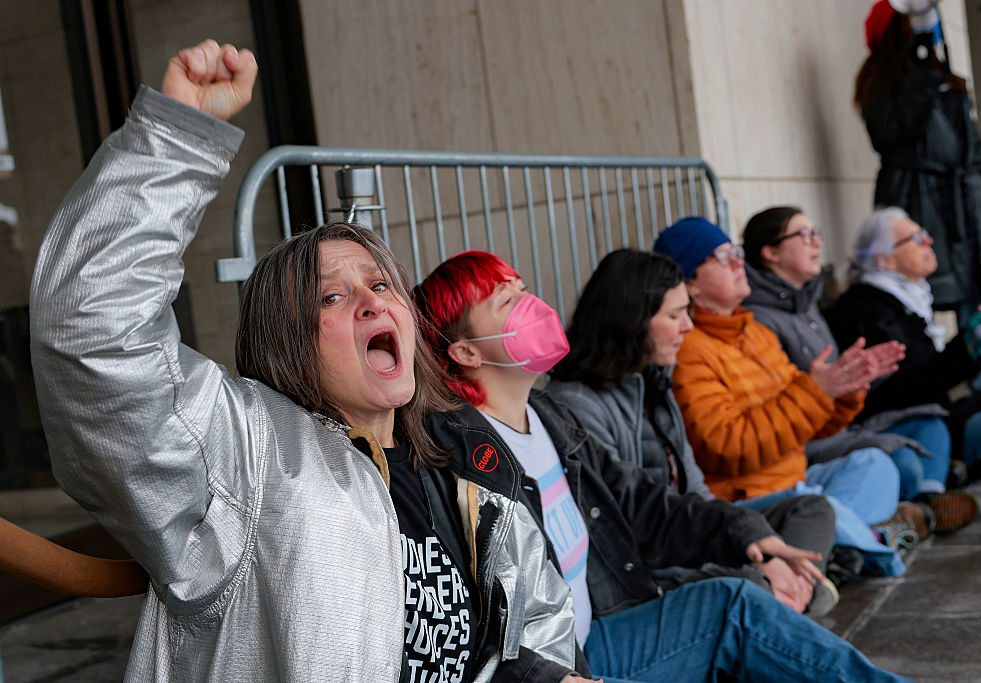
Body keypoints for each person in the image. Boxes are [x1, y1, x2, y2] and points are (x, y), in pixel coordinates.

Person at [29, 41, 584, 682]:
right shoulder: (243, 453)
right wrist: (176, 137)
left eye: (382, 285)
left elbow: (535, 622)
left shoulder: (465, 452)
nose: (374, 305)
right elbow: (90, 329)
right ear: (285, 340)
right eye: (332, 296)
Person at [415, 249, 910, 683]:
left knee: (737, 599)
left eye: (523, 290)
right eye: (507, 303)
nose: (532, 307)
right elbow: (474, 619)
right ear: (464, 351)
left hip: (601, 636)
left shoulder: (547, 416)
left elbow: (641, 503)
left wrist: (744, 531)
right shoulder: (463, 455)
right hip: (563, 672)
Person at [540, 249, 838, 613]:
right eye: (675, 315)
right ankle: (792, 592)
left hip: (694, 531)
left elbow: (695, 488)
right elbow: (625, 523)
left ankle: (784, 594)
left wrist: (748, 544)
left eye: (687, 312)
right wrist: (743, 550)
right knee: (747, 584)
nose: (688, 327)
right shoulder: (576, 404)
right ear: (633, 320)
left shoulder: (652, 381)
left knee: (811, 509)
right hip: (649, 566)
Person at [655, 216, 924, 577]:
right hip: (752, 498)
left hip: (799, 480)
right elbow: (727, 447)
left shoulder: (755, 332)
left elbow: (813, 426)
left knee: (875, 465)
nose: (739, 262)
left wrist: (844, 389)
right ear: (690, 285)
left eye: (736, 252)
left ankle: (833, 546)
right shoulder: (688, 351)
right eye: (722, 257)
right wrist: (817, 390)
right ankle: (865, 543)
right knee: (818, 506)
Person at [742, 205, 978, 531]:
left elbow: (845, 390)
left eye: (816, 233)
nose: (816, 243)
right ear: (770, 253)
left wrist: (858, 380)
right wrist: (838, 386)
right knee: (905, 461)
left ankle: (920, 507)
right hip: (808, 440)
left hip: (841, 425)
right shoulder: (760, 319)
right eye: (803, 235)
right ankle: (897, 521)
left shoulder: (806, 305)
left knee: (930, 427)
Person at [856, 0, 981, 391]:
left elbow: (977, 156)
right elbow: (892, 132)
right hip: (922, 206)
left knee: (978, 300)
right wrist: (920, 70)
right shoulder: (881, 85)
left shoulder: (947, 82)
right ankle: (938, 400)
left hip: (969, 209)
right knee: (921, 303)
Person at [826, 207, 981, 482]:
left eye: (925, 234)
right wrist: (972, 341)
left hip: (937, 412)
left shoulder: (908, 296)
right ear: (886, 260)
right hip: (906, 424)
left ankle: (956, 469)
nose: (929, 241)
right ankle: (952, 475)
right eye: (916, 239)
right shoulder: (869, 309)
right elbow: (914, 386)